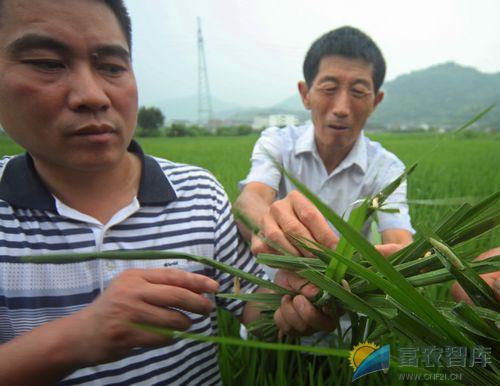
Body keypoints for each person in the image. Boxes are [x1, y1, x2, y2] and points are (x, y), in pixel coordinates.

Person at [0, 1, 335, 385]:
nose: (92, 95)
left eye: (111, 67)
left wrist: (312, 296)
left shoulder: (198, 194)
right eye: (47, 62)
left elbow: (258, 316)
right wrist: (75, 339)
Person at [236, 26, 414, 268]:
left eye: (359, 92)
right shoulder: (277, 143)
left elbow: (397, 234)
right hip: (281, 279)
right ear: (305, 93)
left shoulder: (387, 168)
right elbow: (251, 199)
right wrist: (267, 227)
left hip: (348, 288)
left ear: (375, 102)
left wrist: (402, 259)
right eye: (329, 89)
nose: (341, 108)